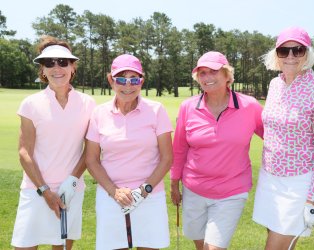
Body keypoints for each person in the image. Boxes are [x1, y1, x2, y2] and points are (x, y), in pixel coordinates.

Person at [252, 27, 314, 250]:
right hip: (269, 178)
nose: (290, 56)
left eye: (297, 50)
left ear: (307, 54)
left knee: (275, 246)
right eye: (284, 51)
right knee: (275, 239)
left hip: (298, 183)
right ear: (276, 55)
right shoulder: (274, 85)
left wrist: (313, 198)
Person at [170, 51, 264, 250]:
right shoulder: (187, 107)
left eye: (213, 72)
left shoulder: (250, 106)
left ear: (227, 75)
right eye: (202, 73)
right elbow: (179, 149)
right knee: (200, 245)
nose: (207, 77)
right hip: (194, 189)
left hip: (231, 190)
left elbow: (274, 138)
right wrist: (174, 184)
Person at [11, 36, 96, 250]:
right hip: (35, 188)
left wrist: (72, 181)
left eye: (62, 62)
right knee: (24, 247)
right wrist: (45, 191)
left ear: (73, 66)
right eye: (49, 63)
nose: (57, 68)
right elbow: (24, 152)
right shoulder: (30, 104)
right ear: (43, 70)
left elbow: (91, 150)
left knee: (61, 248)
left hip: (71, 190)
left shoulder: (88, 103)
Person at [85, 54, 173, 250]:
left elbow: (167, 158)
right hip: (111, 196)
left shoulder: (156, 110)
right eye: (121, 79)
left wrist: (144, 190)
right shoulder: (99, 113)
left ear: (141, 81)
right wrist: (114, 191)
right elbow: (91, 160)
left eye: (134, 79)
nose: (128, 85)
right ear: (111, 80)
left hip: (150, 196)